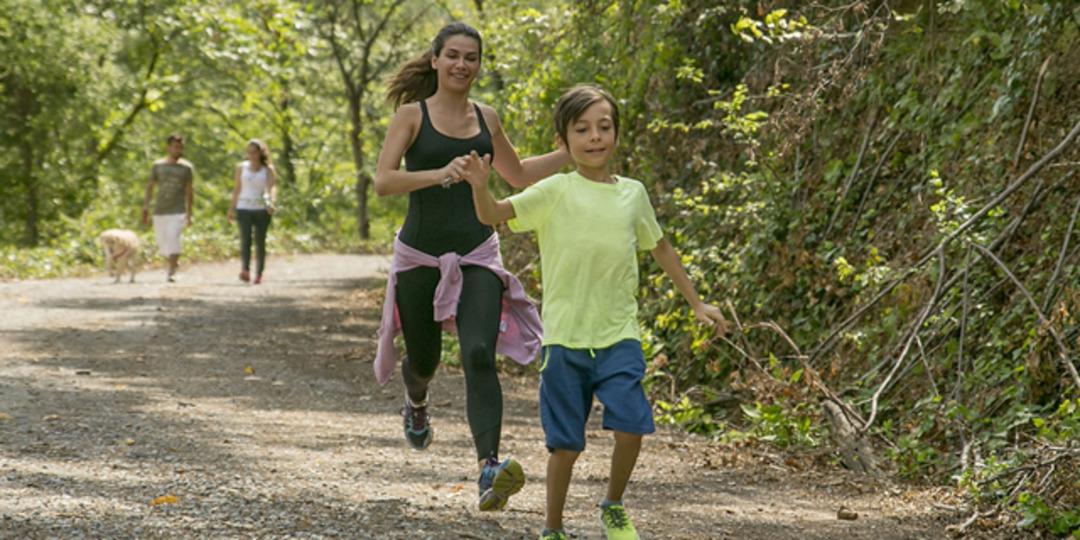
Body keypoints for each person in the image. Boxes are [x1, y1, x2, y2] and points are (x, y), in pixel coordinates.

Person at [463, 84, 728, 540]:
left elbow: (661, 248)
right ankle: (553, 529)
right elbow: (493, 215)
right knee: (565, 445)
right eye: (582, 129)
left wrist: (697, 301)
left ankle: (613, 505)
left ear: (617, 134)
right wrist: (479, 186)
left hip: (618, 334)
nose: (595, 137)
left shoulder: (632, 194)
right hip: (565, 338)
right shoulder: (554, 190)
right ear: (563, 142)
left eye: (604, 127)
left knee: (633, 425)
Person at [371, 21, 570, 512]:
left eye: (472, 57)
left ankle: (489, 467)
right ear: (436, 60)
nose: (462, 64)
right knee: (425, 361)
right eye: (453, 55)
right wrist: (440, 173)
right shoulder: (410, 117)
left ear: (479, 65)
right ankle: (416, 401)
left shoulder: (487, 117)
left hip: (479, 252)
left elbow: (517, 174)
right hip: (419, 256)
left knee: (479, 353)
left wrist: (571, 155)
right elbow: (383, 182)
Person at [142, 133, 194, 282]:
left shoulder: (186, 168)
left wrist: (190, 213)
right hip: (160, 209)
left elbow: (189, 191)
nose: (179, 150)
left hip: (178, 210)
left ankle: (171, 269)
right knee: (163, 243)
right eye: (176, 147)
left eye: (181, 147)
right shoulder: (158, 166)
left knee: (173, 237)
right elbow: (150, 187)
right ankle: (172, 261)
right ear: (168, 147)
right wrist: (145, 206)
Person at [227, 139, 278, 284]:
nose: (252, 155)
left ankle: (259, 272)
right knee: (245, 239)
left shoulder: (267, 170)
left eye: (254, 152)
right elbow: (237, 188)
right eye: (249, 152)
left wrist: (271, 202)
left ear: (260, 153)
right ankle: (245, 269)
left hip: (262, 209)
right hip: (244, 208)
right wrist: (231, 208)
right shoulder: (241, 168)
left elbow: (271, 187)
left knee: (260, 241)